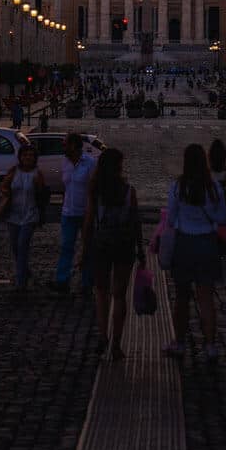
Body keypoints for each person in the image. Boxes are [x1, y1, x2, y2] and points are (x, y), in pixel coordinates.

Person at [162, 143, 226, 364]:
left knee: (182, 298)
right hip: (207, 244)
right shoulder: (214, 188)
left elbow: (170, 220)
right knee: (206, 298)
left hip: (185, 243)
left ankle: (179, 343)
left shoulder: (178, 187)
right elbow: (221, 219)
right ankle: (210, 346)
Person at [81, 148, 144, 360]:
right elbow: (136, 222)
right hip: (124, 245)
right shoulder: (129, 190)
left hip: (101, 245)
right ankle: (116, 345)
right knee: (119, 295)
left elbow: (89, 222)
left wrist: (84, 249)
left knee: (101, 293)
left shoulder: (95, 190)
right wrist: (141, 250)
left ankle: (103, 335)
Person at [49, 133, 96, 295]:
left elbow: (93, 191)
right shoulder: (65, 162)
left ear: (75, 146)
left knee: (88, 247)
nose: (63, 148)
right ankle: (62, 280)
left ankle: (87, 282)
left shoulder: (90, 164)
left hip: (85, 212)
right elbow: (66, 186)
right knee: (66, 247)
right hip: (68, 212)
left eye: (65, 145)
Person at [0, 143, 45, 291]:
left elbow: (42, 195)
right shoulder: (14, 171)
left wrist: (39, 188)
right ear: (20, 157)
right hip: (13, 215)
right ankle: (25, 271)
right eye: (25, 155)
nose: (28, 158)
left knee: (22, 245)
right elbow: (3, 186)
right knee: (15, 248)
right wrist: (6, 193)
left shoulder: (38, 174)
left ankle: (20, 282)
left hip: (30, 215)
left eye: (31, 155)